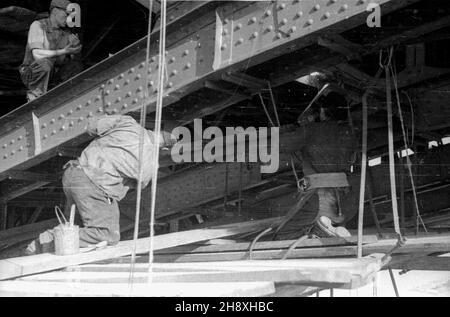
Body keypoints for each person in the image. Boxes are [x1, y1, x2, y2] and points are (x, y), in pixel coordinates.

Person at [26, 114, 176, 254]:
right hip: (93, 186)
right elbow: (139, 186)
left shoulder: (128, 123)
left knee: (75, 229)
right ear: (163, 148)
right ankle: (45, 241)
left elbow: (92, 125)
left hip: (72, 173)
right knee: (106, 234)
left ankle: (48, 248)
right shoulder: (150, 161)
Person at [275, 91, 358, 239]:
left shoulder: (311, 130)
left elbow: (282, 144)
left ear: (324, 111)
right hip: (345, 200)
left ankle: (321, 232)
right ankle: (327, 231)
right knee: (323, 225)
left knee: (282, 235)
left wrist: (299, 127)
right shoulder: (349, 133)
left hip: (320, 199)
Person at [19, 0, 83, 102]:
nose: (69, 19)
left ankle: (62, 97)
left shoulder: (66, 33)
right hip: (32, 72)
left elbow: (71, 62)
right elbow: (37, 55)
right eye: (67, 14)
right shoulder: (38, 25)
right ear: (55, 11)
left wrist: (75, 49)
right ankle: (35, 97)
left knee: (75, 66)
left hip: (53, 72)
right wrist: (64, 51)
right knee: (44, 63)